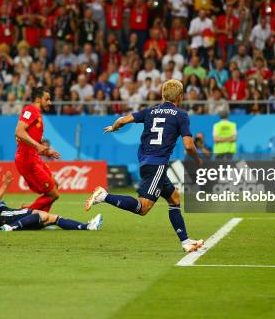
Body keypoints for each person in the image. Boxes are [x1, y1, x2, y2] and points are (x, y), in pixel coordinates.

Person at [85, 79, 204, 253]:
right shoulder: (180, 115)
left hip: (146, 162)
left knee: (174, 199)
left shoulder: (151, 111)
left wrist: (114, 127)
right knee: (143, 208)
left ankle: (186, 242)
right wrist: (199, 160)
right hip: (157, 165)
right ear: (180, 97)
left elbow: (124, 119)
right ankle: (104, 196)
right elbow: (188, 145)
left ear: (163, 95)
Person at [0, 170, 102, 232]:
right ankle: (11, 227)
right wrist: (5, 185)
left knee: (53, 218)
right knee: (41, 215)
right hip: (2, 217)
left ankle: (87, 226)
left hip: (5, 215)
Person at [15, 87, 62, 212]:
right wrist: (38, 146)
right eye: (47, 99)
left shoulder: (37, 115)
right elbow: (19, 131)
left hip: (34, 158)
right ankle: (23, 214)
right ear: (37, 99)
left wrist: (46, 151)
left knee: (55, 185)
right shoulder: (30, 110)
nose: (49, 102)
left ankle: (41, 219)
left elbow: (31, 140)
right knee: (54, 194)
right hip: (27, 161)